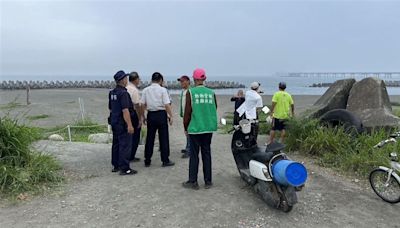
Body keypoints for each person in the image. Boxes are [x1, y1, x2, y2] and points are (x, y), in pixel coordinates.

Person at [182, 68, 218, 190]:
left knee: (194, 155)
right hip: (208, 127)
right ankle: (208, 181)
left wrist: (185, 127)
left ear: (194, 79)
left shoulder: (190, 93)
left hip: (195, 127)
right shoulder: (211, 93)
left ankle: (193, 181)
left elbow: (187, 112)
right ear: (204, 79)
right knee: (206, 153)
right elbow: (215, 107)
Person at [141, 72, 175, 167]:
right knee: (163, 138)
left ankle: (147, 159)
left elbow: (142, 104)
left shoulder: (145, 90)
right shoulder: (163, 90)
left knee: (150, 138)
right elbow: (166, 104)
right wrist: (170, 116)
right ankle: (165, 160)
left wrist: (143, 116)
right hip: (161, 114)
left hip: (151, 114)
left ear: (151, 80)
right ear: (160, 80)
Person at [109, 70, 137, 175]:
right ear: (122, 80)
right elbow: (125, 110)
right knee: (125, 145)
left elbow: (111, 109)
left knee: (116, 144)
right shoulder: (124, 93)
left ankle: (116, 165)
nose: (127, 80)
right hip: (122, 123)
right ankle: (125, 168)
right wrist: (130, 125)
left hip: (114, 121)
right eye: (125, 78)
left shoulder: (112, 93)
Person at [126, 72, 142, 162]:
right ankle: (131, 155)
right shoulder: (134, 90)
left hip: (126, 114)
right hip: (133, 114)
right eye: (138, 79)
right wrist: (140, 118)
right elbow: (137, 105)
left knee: (128, 136)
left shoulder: (126, 88)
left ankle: (128, 154)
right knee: (135, 137)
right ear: (136, 79)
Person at [178, 75, 191, 159]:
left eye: (183, 81)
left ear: (188, 81)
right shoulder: (183, 92)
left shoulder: (190, 91)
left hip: (189, 115)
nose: (181, 83)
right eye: (180, 81)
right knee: (186, 132)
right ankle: (187, 147)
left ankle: (189, 150)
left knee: (189, 132)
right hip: (184, 115)